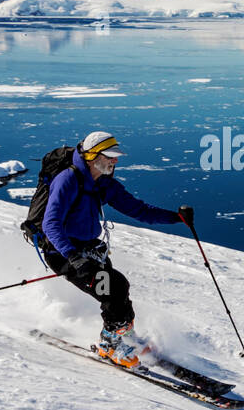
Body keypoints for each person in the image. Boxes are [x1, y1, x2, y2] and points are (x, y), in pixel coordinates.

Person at [37, 131, 188, 368]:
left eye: (116, 156)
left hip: (90, 251)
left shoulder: (104, 183)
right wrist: (73, 257)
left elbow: (140, 210)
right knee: (114, 289)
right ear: (92, 156)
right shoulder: (67, 180)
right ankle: (109, 345)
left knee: (118, 289)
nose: (115, 161)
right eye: (110, 156)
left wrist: (177, 218)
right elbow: (50, 223)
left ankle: (124, 336)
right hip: (64, 253)